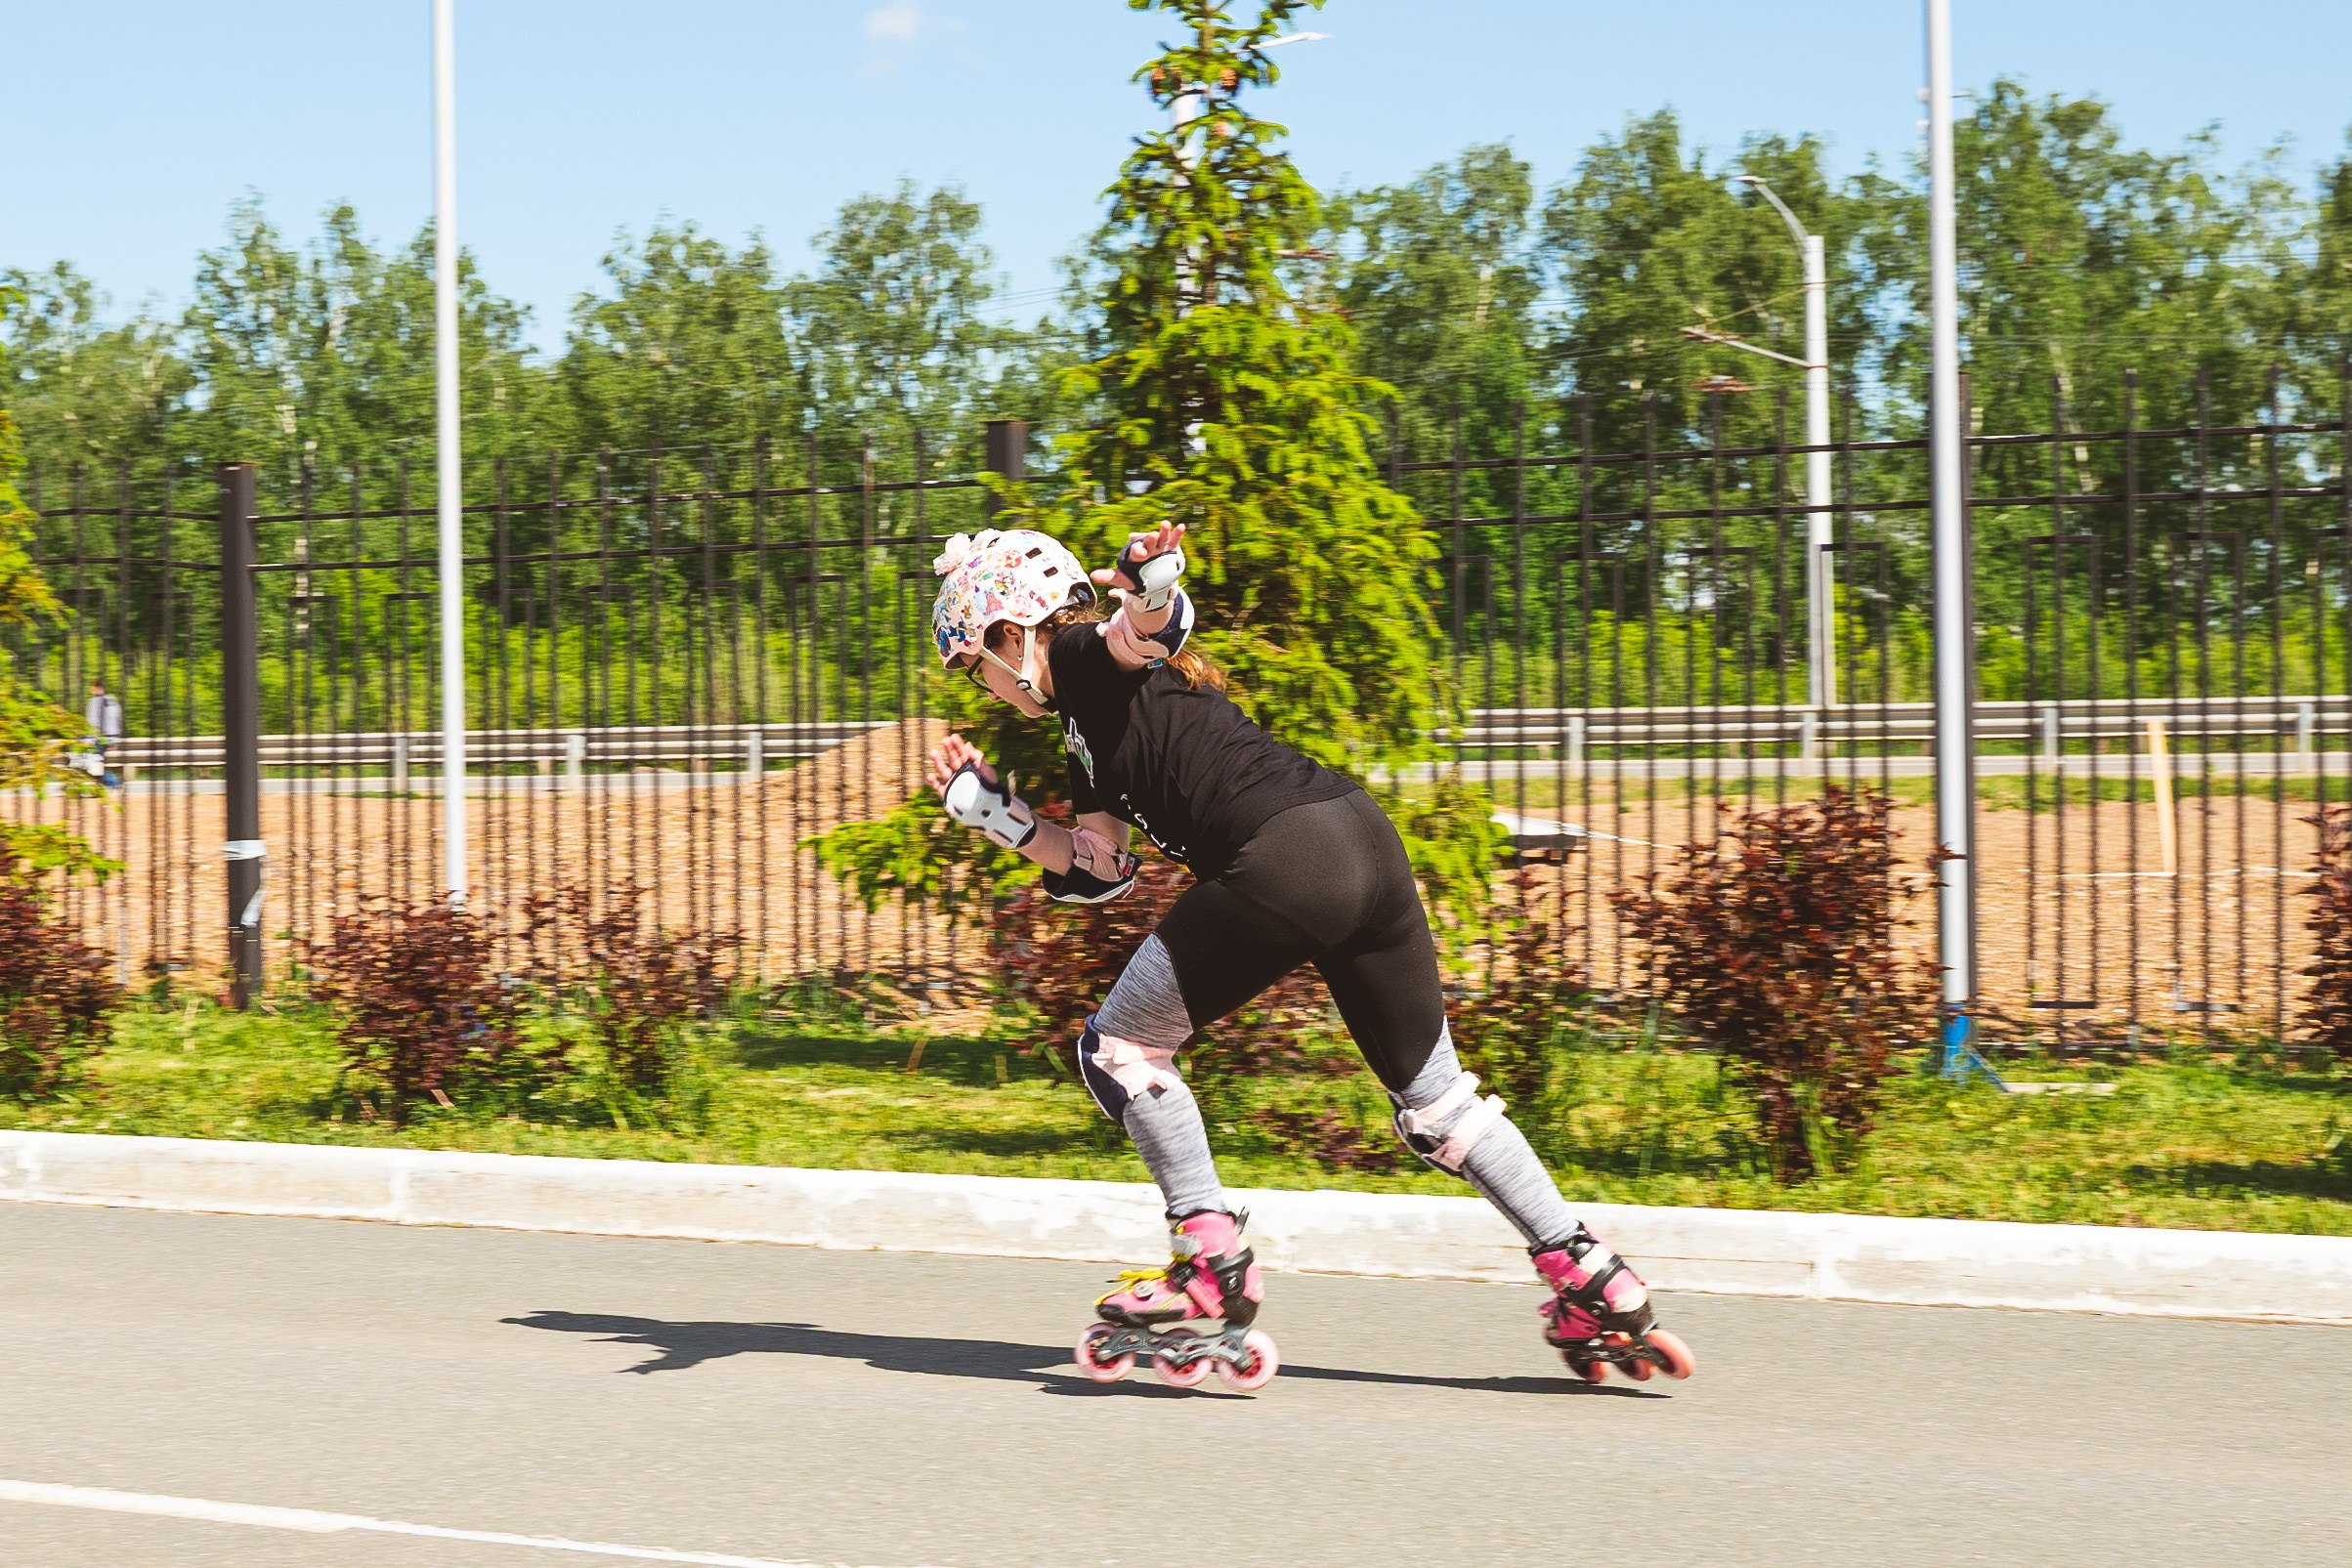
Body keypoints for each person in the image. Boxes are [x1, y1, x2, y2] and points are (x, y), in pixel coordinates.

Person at [924, 523, 1694, 1391]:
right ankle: (1588, 1274)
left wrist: (1148, 583)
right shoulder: (1086, 724)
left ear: (1009, 631)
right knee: (1439, 1104)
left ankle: (1204, 1262)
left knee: (1118, 1049)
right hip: (1360, 842)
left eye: (973, 664)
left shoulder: (1083, 654)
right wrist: (1004, 818)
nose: (982, 687)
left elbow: (1146, 627)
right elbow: (1104, 869)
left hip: (1287, 857)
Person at [83, 678, 123, 789]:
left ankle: (113, 782)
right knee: (97, 762)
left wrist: (88, 740)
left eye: (92, 688)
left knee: (90, 762)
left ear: (96, 688)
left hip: (100, 738)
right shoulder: (113, 700)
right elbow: (118, 719)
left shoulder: (94, 702)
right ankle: (110, 782)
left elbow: (93, 723)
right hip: (113, 737)